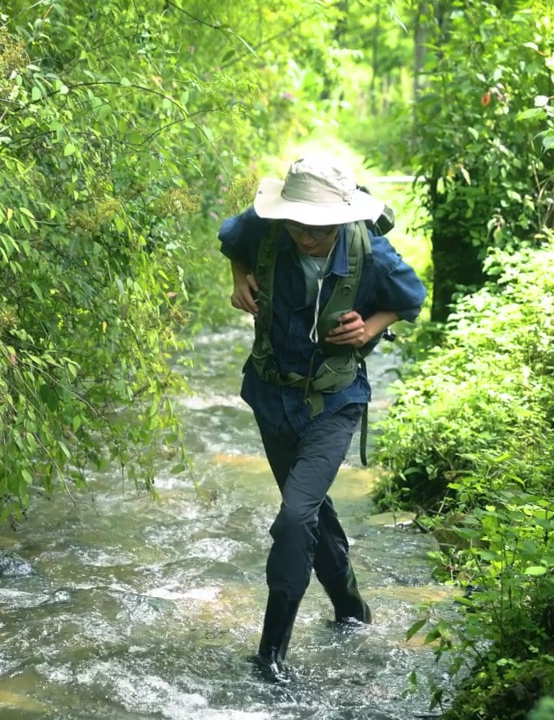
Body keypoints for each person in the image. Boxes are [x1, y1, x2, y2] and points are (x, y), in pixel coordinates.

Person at [218, 155, 427, 684]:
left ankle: (270, 657)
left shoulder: (369, 250)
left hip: (335, 402)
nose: (303, 235)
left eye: (315, 227)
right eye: (294, 222)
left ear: (340, 216)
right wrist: (240, 277)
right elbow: (231, 240)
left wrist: (369, 327)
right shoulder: (263, 227)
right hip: (271, 395)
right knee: (309, 511)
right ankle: (352, 610)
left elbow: (412, 299)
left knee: (293, 518)